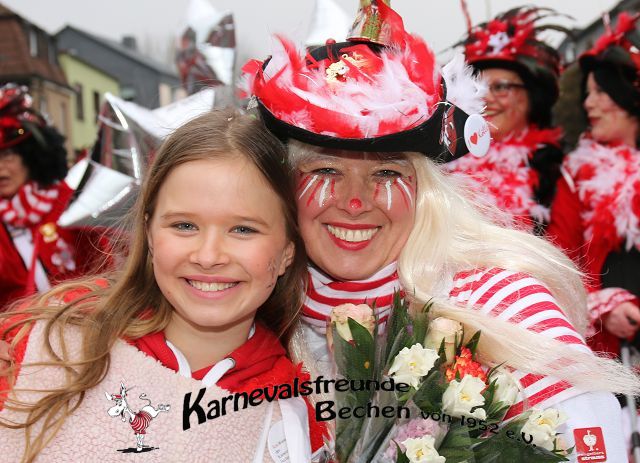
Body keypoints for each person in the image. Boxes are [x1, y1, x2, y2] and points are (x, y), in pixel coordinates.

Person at [242, 1, 638, 460]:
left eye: (386, 173)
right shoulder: (250, 306)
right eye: (326, 169)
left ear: (424, 190)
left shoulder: (500, 306)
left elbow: (590, 442)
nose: (354, 201)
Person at [0, 109, 320, 462]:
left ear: (288, 250)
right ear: (150, 233)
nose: (208, 256)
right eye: (184, 226)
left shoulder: (301, 418)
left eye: (243, 229)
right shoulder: (48, 347)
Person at [547, 12, 640, 359]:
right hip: (613, 351)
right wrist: (605, 305)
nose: (588, 104)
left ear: (629, 95)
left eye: (600, 92)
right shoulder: (577, 175)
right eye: (587, 94)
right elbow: (560, 262)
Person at [444, 7, 567, 233]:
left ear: (532, 97)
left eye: (500, 87)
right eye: (477, 88)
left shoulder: (562, 176)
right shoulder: (443, 166)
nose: (486, 98)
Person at [0, 84, 109, 311]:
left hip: (86, 317)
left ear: (30, 156)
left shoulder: (70, 201)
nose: (0, 168)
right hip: (17, 329)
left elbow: (107, 260)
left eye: (7, 156)